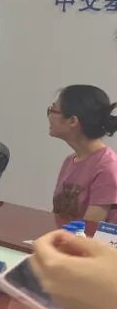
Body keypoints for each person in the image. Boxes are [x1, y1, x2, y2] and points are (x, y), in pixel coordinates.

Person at [48, 85, 117, 223]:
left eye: (53, 110)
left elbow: (89, 230)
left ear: (73, 121)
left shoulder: (108, 167)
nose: (49, 116)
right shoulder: (70, 161)